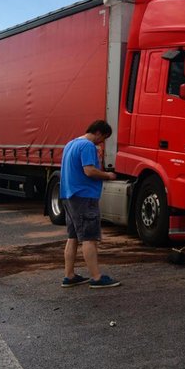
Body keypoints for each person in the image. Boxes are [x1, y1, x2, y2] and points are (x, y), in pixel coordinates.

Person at [59, 120, 120, 289]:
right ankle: (96, 277)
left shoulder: (71, 144)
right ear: (98, 132)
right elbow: (89, 170)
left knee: (72, 237)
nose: (102, 142)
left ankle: (69, 275)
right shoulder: (87, 146)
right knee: (89, 237)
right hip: (84, 197)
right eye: (104, 138)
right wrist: (108, 175)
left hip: (68, 195)